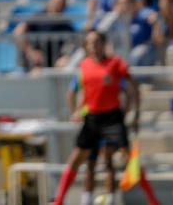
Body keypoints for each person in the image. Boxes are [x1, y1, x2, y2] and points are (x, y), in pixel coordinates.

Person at [51, 30, 159, 205]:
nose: (93, 46)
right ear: (85, 46)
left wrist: (135, 112)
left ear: (103, 44)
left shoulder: (115, 63)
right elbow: (76, 92)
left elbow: (132, 87)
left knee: (128, 160)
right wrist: (75, 111)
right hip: (92, 118)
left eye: (96, 42)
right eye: (89, 43)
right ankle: (60, 200)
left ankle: (153, 201)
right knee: (77, 159)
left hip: (112, 118)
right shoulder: (84, 66)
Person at [13, 0, 76, 70]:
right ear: (50, 1)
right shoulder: (37, 17)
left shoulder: (66, 25)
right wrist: (30, 52)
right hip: (35, 64)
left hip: (55, 64)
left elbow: (73, 42)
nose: (58, 4)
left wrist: (66, 56)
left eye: (61, 2)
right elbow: (18, 32)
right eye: (56, 1)